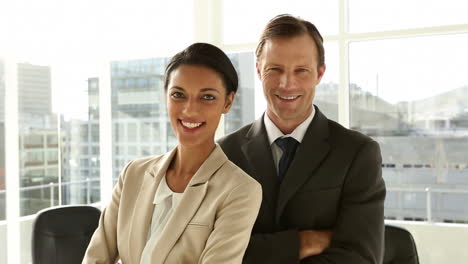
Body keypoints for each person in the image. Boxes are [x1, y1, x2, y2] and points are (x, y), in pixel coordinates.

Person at [219, 14, 386, 264]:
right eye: (275, 69)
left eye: (301, 70)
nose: (287, 83)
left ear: (320, 73)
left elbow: (360, 257)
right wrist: (302, 242)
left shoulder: (357, 153)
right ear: (258, 71)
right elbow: (214, 253)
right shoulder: (224, 154)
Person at [83, 43, 262, 264]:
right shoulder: (133, 174)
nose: (190, 110)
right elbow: (95, 258)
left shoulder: (240, 190)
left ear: (228, 101)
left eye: (207, 97)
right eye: (178, 94)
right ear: (165, 96)